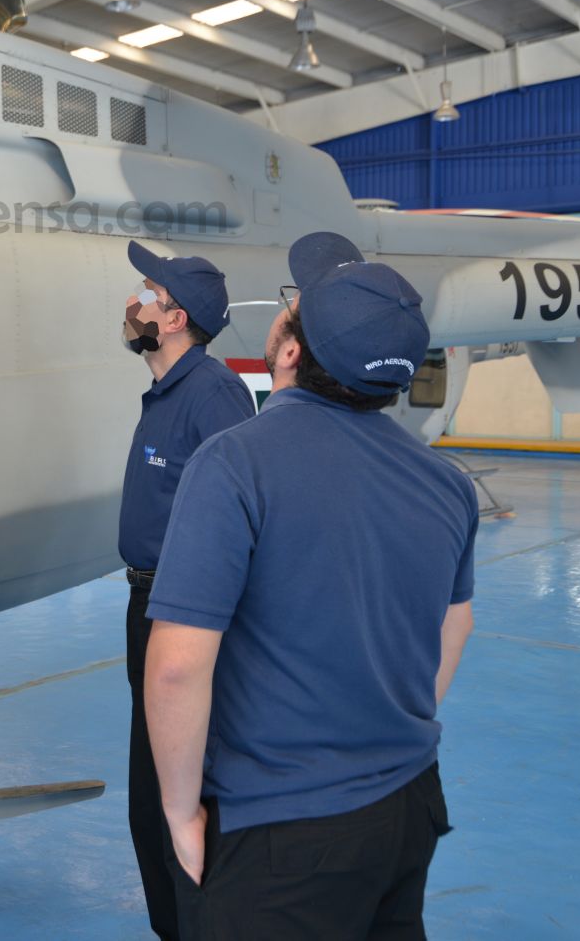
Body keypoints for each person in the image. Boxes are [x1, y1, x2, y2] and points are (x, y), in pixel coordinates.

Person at [144, 232, 478, 940]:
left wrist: (178, 812)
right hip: (408, 801)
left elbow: (177, 665)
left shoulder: (235, 463)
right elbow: (456, 626)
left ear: (291, 350)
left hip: (284, 832)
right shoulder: (447, 484)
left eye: (294, 307)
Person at [119, 241, 256, 940]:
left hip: (186, 615)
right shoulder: (168, 390)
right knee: (151, 799)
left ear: (173, 318)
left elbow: (250, 513)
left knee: (178, 795)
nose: (134, 305)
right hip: (148, 606)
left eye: (148, 294)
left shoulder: (214, 395)